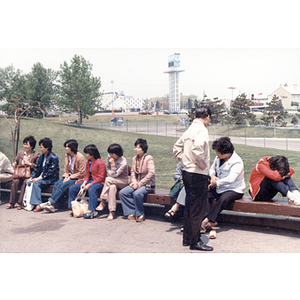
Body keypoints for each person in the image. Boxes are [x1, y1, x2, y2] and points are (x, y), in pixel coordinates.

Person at [173, 106, 213, 251]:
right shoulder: (202, 129)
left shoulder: (189, 129)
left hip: (187, 172)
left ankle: (187, 238)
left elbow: (176, 148)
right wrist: (201, 164)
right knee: (197, 209)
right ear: (207, 116)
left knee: (189, 207)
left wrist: (185, 161)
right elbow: (197, 149)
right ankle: (195, 241)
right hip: (198, 174)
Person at [201, 137, 245, 238]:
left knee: (222, 199)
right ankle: (209, 222)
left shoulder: (237, 162)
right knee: (206, 193)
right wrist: (212, 176)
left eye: (218, 152)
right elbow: (212, 168)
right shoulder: (218, 158)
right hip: (219, 186)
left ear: (225, 152)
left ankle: (207, 220)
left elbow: (230, 179)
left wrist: (216, 182)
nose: (216, 154)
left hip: (234, 189)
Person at [42, 139, 85, 213]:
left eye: (68, 147)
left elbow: (81, 173)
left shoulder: (80, 157)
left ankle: (50, 202)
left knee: (64, 185)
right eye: (65, 147)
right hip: (69, 177)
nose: (66, 148)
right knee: (57, 184)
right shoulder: (67, 156)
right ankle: (52, 205)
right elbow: (66, 169)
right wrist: (66, 176)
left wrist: (70, 177)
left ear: (73, 147)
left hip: (77, 178)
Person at [119, 138, 155, 222]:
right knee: (123, 193)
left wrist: (140, 183)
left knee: (137, 193)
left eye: (139, 147)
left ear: (144, 148)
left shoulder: (149, 158)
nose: (136, 149)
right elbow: (132, 172)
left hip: (148, 184)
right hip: (136, 183)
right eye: (135, 147)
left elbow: (151, 173)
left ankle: (140, 213)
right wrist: (134, 182)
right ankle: (132, 211)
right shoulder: (134, 158)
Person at [68, 144, 106, 219]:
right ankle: (73, 207)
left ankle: (92, 210)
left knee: (92, 189)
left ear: (92, 154)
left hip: (99, 182)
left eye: (87, 153)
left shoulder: (100, 162)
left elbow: (101, 177)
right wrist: (85, 183)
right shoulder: (88, 162)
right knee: (72, 188)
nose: (86, 155)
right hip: (90, 181)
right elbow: (86, 175)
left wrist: (90, 184)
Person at [96, 143, 130, 220]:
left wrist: (113, 165)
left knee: (108, 179)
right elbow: (109, 169)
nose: (110, 155)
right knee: (112, 187)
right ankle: (112, 211)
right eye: (109, 153)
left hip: (124, 180)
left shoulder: (123, 162)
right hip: (113, 180)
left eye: (112, 154)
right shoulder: (109, 157)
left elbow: (114, 175)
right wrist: (112, 169)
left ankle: (103, 201)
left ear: (117, 153)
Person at [7, 136, 39, 210]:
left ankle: (20, 203)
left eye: (27, 144)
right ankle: (11, 202)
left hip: (29, 175)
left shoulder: (36, 154)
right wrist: (14, 163)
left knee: (25, 182)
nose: (25, 146)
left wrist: (30, 164)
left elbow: (38, 167)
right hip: (19, 174)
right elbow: (15, 160)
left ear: (32, 146)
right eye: (24, 144)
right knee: (15, 182)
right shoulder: (20, 153)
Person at [28, 138, 59, 212]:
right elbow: (37, 169)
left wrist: (39, 178)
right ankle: (30, 204)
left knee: (36, 183)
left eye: (41, 147)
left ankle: (38, 204)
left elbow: (51, 172)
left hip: (51, 179)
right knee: (30, 182)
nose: (40, 149)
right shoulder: (41, 156)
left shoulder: (53, 157)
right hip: (43, 178)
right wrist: (31, 177)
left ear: (47, 147)